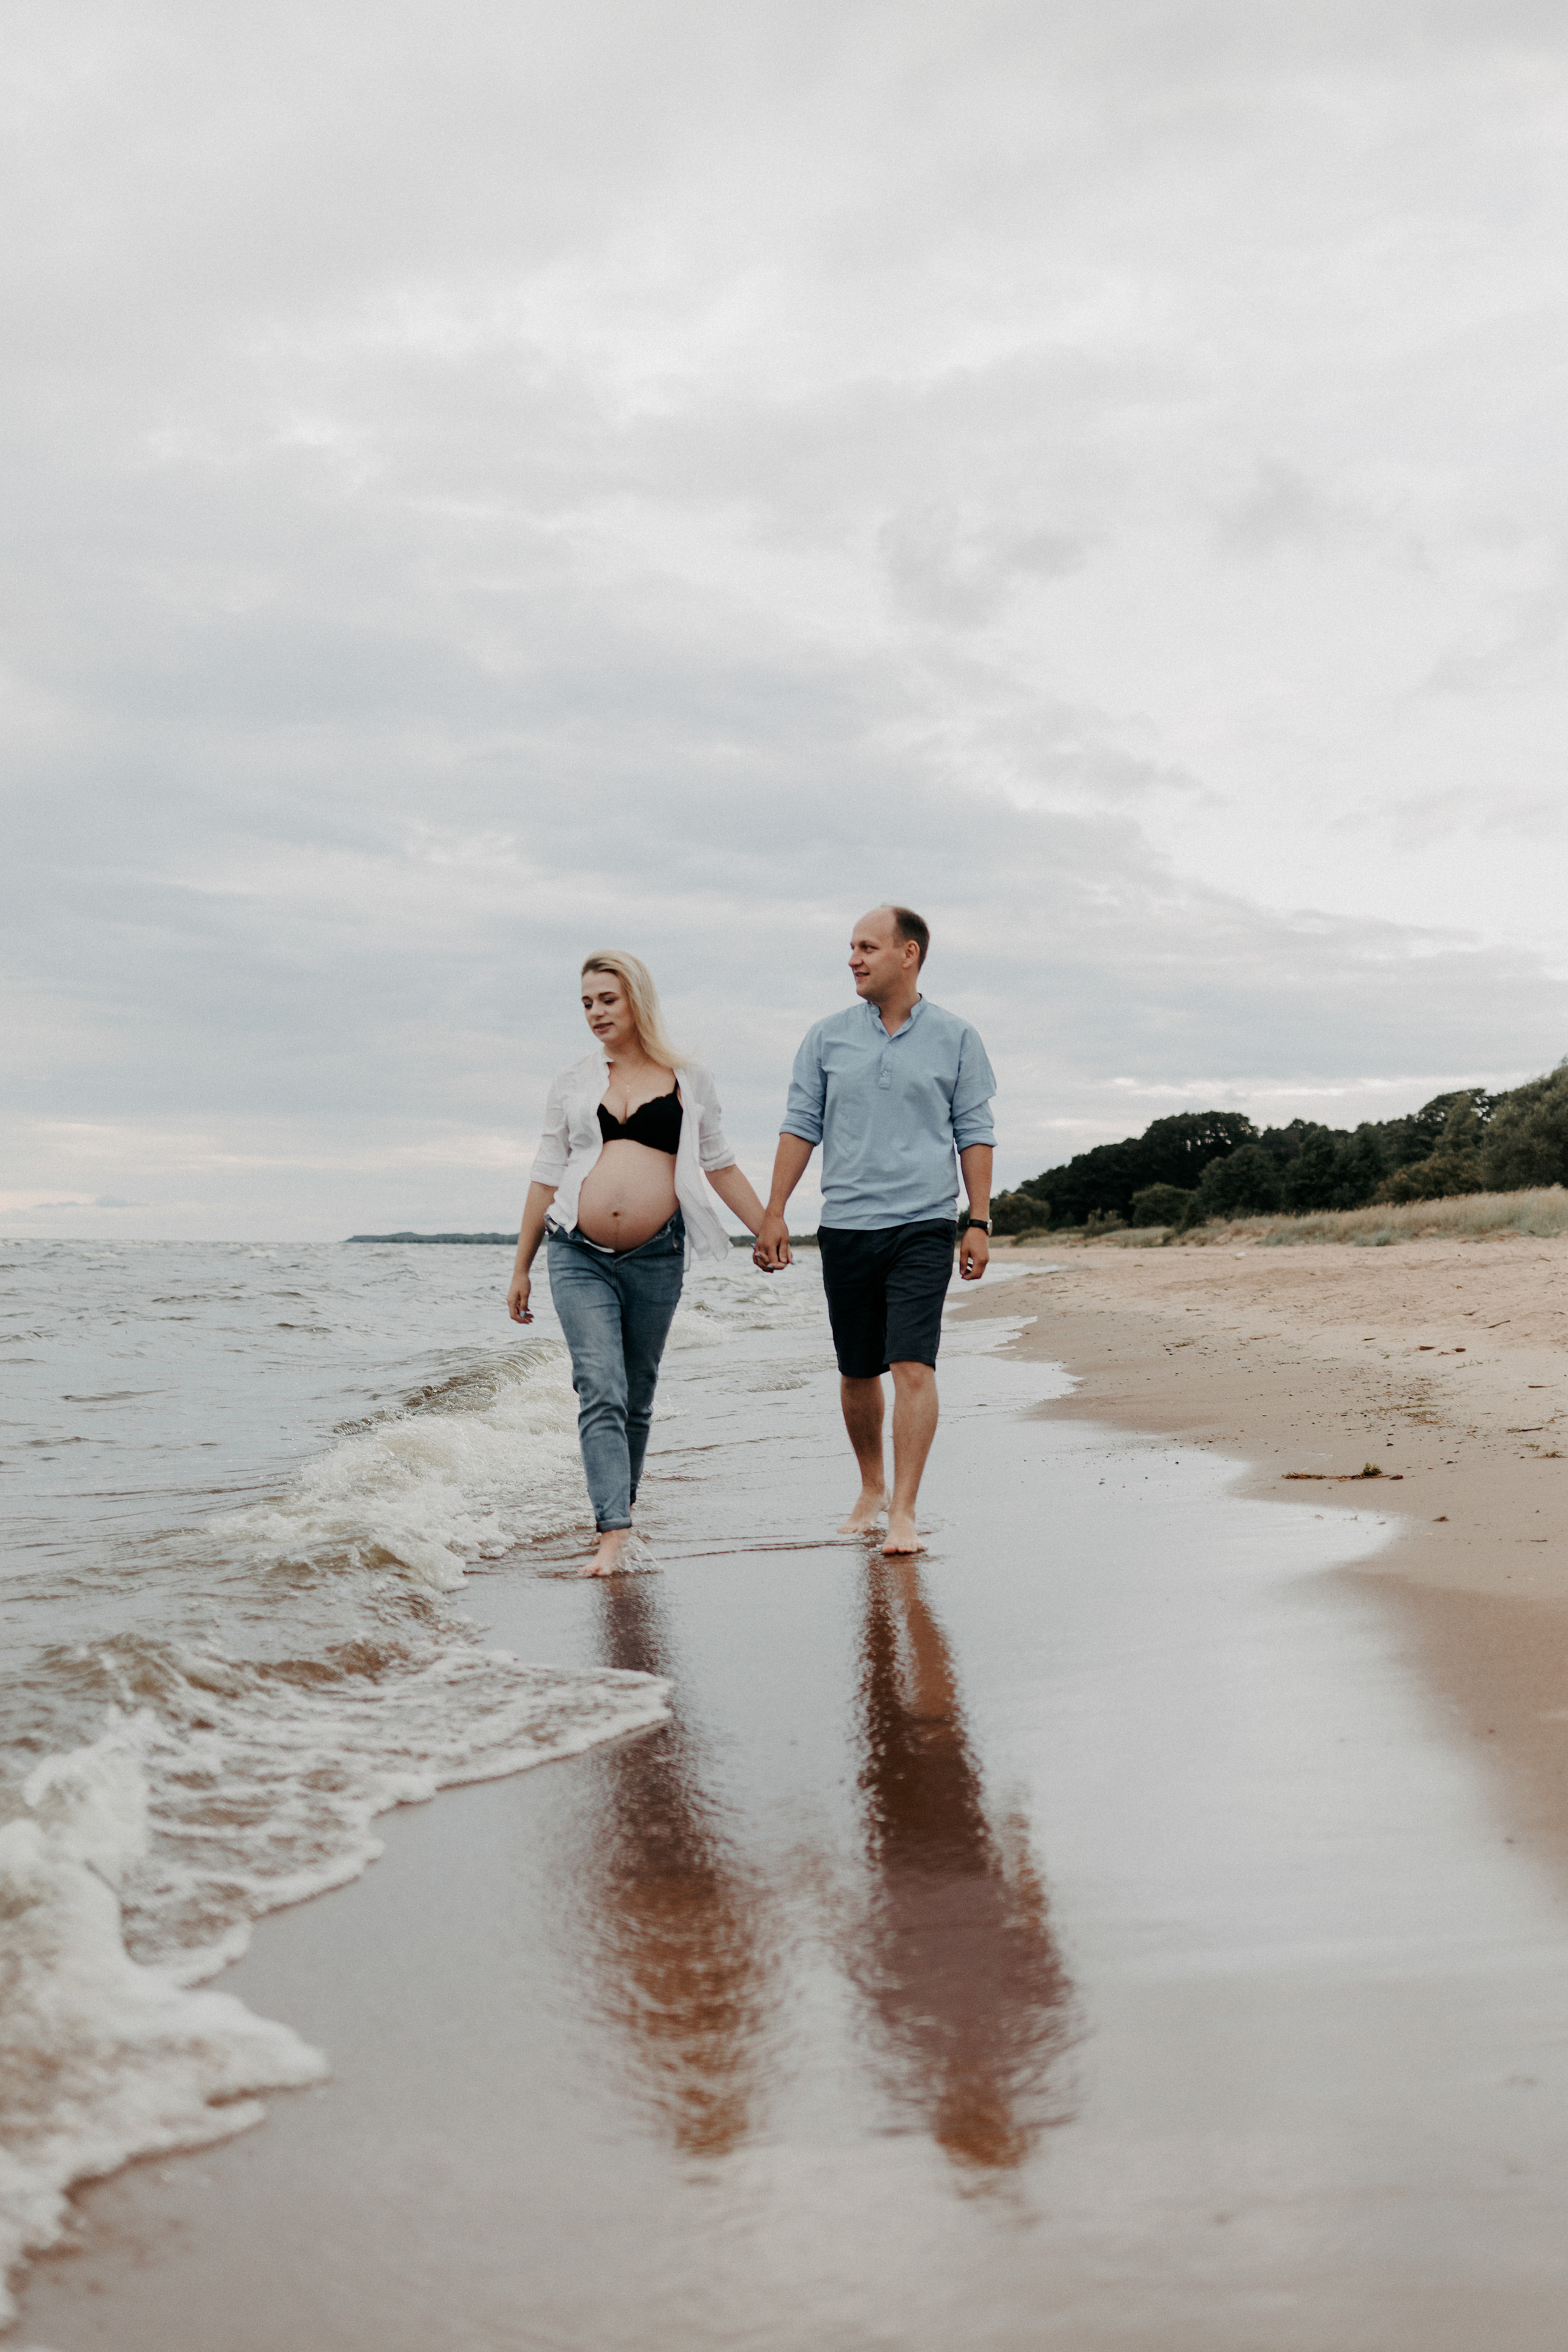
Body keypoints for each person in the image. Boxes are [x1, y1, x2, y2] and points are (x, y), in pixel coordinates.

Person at [508, 953, 769, 1576]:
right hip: (576, 1251)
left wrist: (766, 1230)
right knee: (599, 1385)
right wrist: (520, 1267)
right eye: (587, 1003)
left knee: (636, 1395)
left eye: (607, 1000)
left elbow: (720, 1164)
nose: (596, 1013)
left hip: (657, 1255)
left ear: (637, 1001)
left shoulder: (690, 1080)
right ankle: (612, 1533)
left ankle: (619, 1507)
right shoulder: (571, 1081)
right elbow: (546, 1176)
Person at [753, 906, 995, 1556]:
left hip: (922, 1223)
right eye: (851, 948)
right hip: (846, 1224)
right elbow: (801, 1125)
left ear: (907, 953)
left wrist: (977, 1219)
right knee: (857, 1368)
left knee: (912, 1364)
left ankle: (905, 1513)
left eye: (867, 947)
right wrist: (774, 1211)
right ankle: (871, 1487)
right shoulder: (826, 1037)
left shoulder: (957, 1038)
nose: (854, 959)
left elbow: (974, 1130)